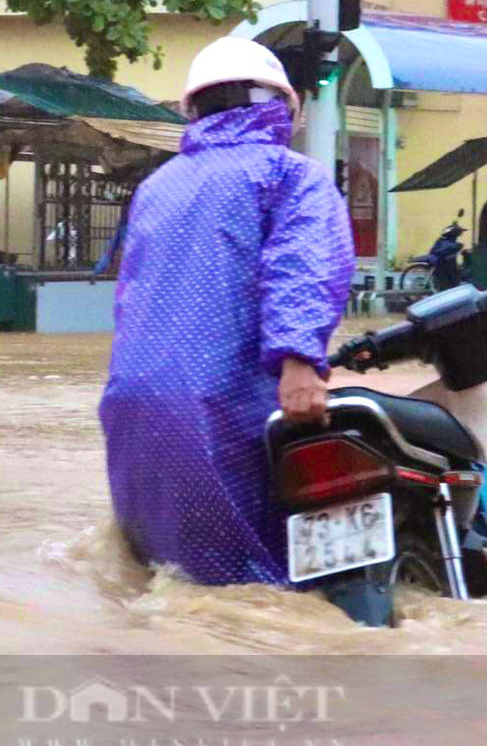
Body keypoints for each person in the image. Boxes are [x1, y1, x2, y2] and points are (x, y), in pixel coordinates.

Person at [98, 36, 355, 587]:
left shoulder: (155, 187)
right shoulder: (290, 175)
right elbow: (303, 267)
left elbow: (129, 298)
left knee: (161, 587)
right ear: (283, 107)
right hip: (223, 408)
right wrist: (299, 361)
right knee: (257, 592)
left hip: (129, 411)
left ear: (194, 110)